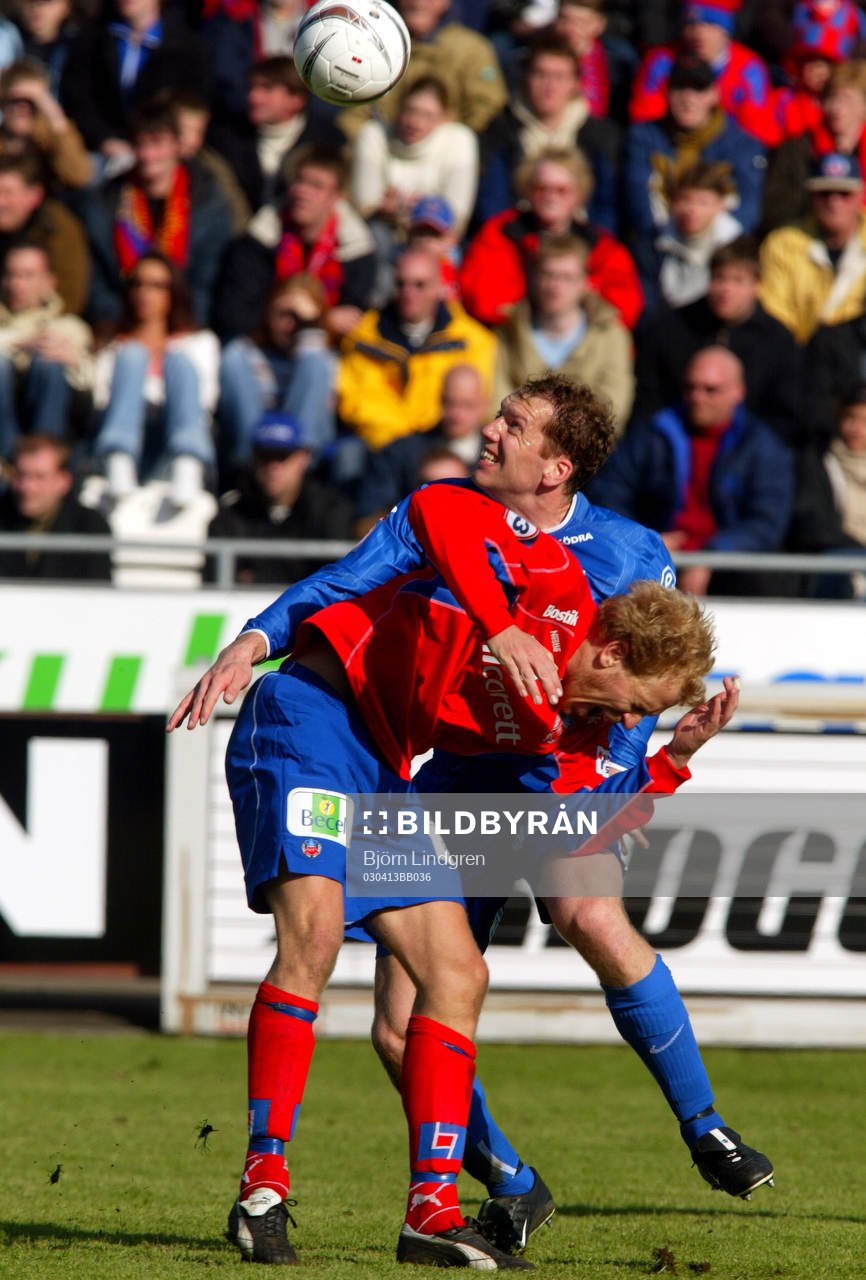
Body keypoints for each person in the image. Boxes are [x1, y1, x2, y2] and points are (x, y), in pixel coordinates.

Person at [173, 374, 773, 1257]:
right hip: (307, 716)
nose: (620, 720)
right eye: (626, 703)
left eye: (513, 423)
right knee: (316, 936)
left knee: (457, 975)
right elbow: (438, 519)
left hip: (384, 765)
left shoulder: (561, 722)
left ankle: (434, 1213)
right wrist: (261, 637)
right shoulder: (543, 570)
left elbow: (581, 816)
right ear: (606, 649)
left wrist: (674, 758)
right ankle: (262, 1188)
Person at [590, 347, 795, 595]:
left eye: (710, 390)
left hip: (731, 570)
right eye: (690, 388)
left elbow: (766, 523)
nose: (698, 397)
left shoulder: (762, 447)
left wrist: (712, 556)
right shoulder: (652, 435)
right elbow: (611, 495)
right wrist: (647, 541)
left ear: (738, 392)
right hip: (650, 559)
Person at [80, 99, 235, 329]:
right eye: (139, 145)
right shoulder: (105, 203)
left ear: (178, 145)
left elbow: (207, 282)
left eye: (156, 143)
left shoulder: (209, 205)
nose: (147, 154)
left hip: (186, 325)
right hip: (121, 325)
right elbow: (98, 283)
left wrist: (185, 329)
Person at [634, 236, 804, 444]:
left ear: (757, 286)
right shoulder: (672, 328)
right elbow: (650, 399)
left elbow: (785, 414)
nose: (726, 289)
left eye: (738, 280)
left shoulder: (779, 341)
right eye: (719, 278)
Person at [460, 147, 644, 330]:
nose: (551, 197)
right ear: (528, 190)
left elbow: (624, 309)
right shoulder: (500, 234)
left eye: (561, 190)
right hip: (513, 336)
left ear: (579, 194)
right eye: (542, 188)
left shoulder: (602, 247)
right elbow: (482, 298)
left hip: (583, 342)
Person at [336, 244, 495, 453]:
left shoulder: (473, 340)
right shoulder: (363, 336)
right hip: (381, 443)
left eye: (420, 285)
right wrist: (403, 440)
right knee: (348, 456)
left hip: (444, 441)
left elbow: (474, 403)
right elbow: (357, 400)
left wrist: (424, 437)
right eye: (401, 284)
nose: (408, 293)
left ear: (440, 286)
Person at [91, 251, 219, 506]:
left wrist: (143, 398)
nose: (145, 294)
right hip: (126, 437)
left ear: (174, 292)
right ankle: (119, 461)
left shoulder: (198, 343)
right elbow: (102, 400)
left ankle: (187, 466)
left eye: (156, 286)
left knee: (179, 362)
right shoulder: (112, 346)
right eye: (138, 284)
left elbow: (204, 401)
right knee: (132, 356)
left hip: (176, 437)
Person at [213, 144, 377, 342]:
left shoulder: (356, 250)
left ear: (337, 197)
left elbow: (353, 320)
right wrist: (321, 320)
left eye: (316, 185)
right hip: (263, 346)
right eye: (299, 181)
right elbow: (234, 316)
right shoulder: (259, 240)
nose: (302, 192)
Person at [474, 32, 621, 232]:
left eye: (559, 77)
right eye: (541, 74)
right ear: (526, 78)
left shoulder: (600, 136)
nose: (549, 86)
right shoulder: (500, 131)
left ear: (575, 83)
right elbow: (492, 203)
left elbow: (607, 207)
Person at [624, 53, 766, 259]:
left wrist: (710, 244)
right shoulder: (643, 137)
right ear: (667, 93)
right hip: (659, 248)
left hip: (720, 250)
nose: (688, 99)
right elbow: (640, 205)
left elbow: (748, 209)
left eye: (699, 89)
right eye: (679, 88)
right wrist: (669, 240)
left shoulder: (743, 144)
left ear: (714, 94)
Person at [493, 234, 634, 429]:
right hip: (515, 441)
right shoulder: (511, 328)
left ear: (585, 282)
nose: (555, 286)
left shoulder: (610, 334)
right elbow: (497, 394)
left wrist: (562, 438)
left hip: (584, 450)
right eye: (548, 275)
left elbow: (614, 406)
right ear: (534, 278)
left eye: (566, 277)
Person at [207, 410, 354, 585]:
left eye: (283, 457)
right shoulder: (232, 513)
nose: (273, 467)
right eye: (265, 456)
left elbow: (338, 582)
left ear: (303, 458)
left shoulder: (331, 509)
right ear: (253, 458)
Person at [60, 0, 210, 170]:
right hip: (103, 151)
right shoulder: (91, 38)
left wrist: (158, 144)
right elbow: (78, 98)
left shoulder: (187, 48)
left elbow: (192, 106)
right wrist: (105, 139)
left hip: (163, 153)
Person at [217, 272, 336, 479]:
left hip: (304, 463)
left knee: (316, 364)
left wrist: (308, 336)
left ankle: (294, 473)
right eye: (284, 314)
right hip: (252, 454)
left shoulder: (324, 359)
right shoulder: (245, 355)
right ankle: (254, 473)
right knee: (233, 356)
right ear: (268, 315)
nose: (291, 326)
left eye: (301, 319)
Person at [206, 54, 345, 216]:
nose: (254, 97)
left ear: (296, 99)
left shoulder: (329, 141)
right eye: (252, 88)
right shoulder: (227, 138)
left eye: (266, 88)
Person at [350, 75, 479, 244]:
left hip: (433, 240)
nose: (415, 123)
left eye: (428, 115)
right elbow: (365, 205)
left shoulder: (460, 140)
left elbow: (457, 218)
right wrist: (387, 210)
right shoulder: (374, 134)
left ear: (445, 117)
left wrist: (412, 209)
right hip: (380, 235)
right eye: (411, 111)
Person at [353, 362, 486, 525]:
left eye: (467, 405)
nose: (456, 414)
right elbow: (369, 516)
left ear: (484, 404)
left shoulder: (500, 457)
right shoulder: (401, 453)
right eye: (449, 402)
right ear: (439, 399)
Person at [629, 0, 773, 144]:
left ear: (726, 31)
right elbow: (645, 119)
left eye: (710, 24)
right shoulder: (662, 61)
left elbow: (757, 130)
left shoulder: (750, 69)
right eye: (692, 24)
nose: (699, 33)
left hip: (728, 154)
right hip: (671, 147)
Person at [0, 242, 93, 463]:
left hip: (60, 423)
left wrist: (75, 363)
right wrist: (22, 341)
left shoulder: (70, 327)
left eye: (28, 275)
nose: (17, 284)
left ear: (49, 282)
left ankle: (44, 460)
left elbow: (97, 386)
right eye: (11, 275)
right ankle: (8, 462)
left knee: (49, 364)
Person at [637, 161, 743, 314]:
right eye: (685, 200)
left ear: (720, 205)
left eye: (703, 202)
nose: (692, 210)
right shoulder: (651, 245)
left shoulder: (735, 246)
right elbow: (647, 302)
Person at [0, 432, 111, 579]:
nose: (27, 487)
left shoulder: (91, 526)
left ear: (64, 481)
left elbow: (98, 594)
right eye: (21, 475)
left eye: (39, 477)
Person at [0, 144, 89, 315]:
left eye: (8, 193)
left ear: (34, 195)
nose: (0, 202)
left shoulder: (59, 229)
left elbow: (70, 295)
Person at [0, 55, 94, 189]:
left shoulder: (52, 139)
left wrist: (56, 119)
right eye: (16, 100)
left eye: (32, 102)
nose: (23, 108)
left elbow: (79, 176)